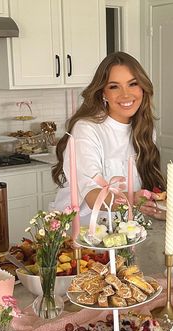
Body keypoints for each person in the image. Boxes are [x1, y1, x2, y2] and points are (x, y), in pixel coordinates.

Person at [52, 51, 165, 223]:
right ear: (103, 93)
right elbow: (92, 196)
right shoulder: (87, 129)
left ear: (143, 88)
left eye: (133, 84)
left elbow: (143, 188)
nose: (126, 95)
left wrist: (158, 205)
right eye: (114, 86)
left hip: (128, 230)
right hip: (84, 233)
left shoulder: (145, 129)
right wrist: (134, 200)